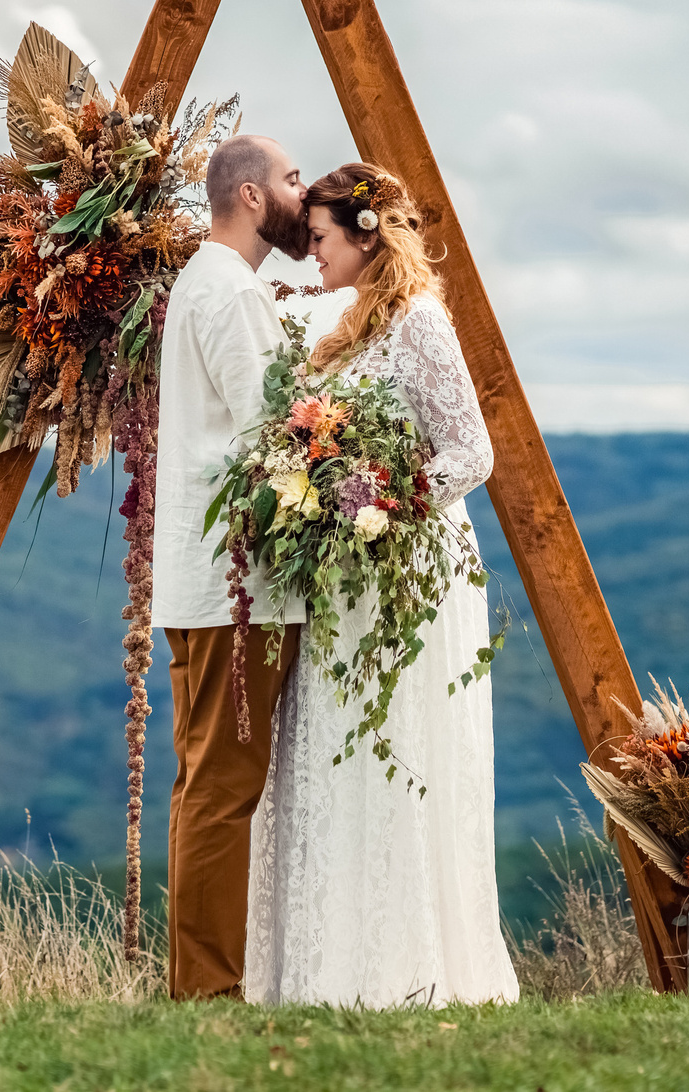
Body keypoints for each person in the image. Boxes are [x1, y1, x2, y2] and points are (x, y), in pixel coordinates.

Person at [244, 162, 521, 1007]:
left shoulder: (421, 322)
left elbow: (472, 452)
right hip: (344, 574)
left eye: (321, 239)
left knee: (396, 751)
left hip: (407, 571)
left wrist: (378, 505)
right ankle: (319, 970)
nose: (312, 255)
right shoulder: (350, 323)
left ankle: (406, 969)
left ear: (367, 233)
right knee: (330, 749)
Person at [152, 132, 311, 999]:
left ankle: (196, 981)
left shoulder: (198, 283)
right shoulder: (232, 292)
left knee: (200, 784)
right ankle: (206, 991)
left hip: (200, 582)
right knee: (221, 791)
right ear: (251, 196)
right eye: (290, 180)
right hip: (233, 588)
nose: (300, 192)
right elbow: (274, 430)